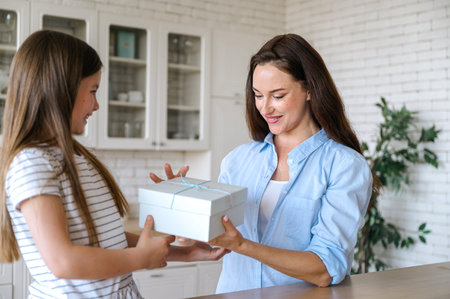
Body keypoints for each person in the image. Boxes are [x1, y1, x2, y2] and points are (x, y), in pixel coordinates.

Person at [0, 30, 227, 298]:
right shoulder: (32, 162)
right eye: (93, 91)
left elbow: (107, 239)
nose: (96, 106)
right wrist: (141, 258)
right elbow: (64, 262)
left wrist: (185, 252)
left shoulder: (75, 157)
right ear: (61, 90)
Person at [153, 33, 373, 293]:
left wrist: (243, 245)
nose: (265, 108)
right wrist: (184, 211)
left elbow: (325, 269)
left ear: (310, 90)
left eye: (277, 95)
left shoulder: (344, 166)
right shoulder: (238, 160)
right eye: (258, 95)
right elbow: (216, 241)